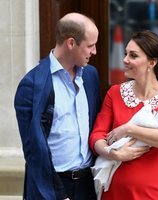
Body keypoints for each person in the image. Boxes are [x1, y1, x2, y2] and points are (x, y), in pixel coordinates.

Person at [89, 30, 158, 200]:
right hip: (113, 191)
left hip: (152, 193)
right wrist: (113, 154)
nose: (125, 60)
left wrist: (129, 129)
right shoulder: (115, 93)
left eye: (133, 56)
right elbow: (97, 135)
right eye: (126, 54)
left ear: (152, 62)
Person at [14, 12, 101, 200]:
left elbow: (97, 126)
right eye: (90, 45)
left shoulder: (91, 76)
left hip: (87, 185)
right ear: (71, 43)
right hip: (50, 188)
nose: (94, 51)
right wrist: (60, 195)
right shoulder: (30, 85)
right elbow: (33, 152)